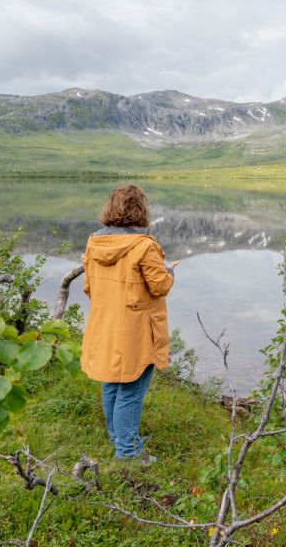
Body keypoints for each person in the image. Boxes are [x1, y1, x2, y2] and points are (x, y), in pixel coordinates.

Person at [80, 184, 180, 463]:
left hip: (104, 326)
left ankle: (120, 437)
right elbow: (159, 286)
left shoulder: (94, 242)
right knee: (131, 390)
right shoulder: (144, 245)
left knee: (112, 382)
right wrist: (170, 271)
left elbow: (89, 288)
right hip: (135, 331)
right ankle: (128, 451)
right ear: (141, 210)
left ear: (110, 209)